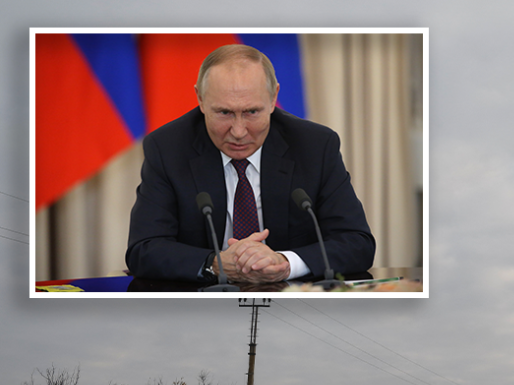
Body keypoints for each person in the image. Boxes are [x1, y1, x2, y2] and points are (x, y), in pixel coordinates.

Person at [126, 44, 375, 284]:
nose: (238, 131)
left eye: (251, 112)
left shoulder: (315, 146)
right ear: (200, 99)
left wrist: (285, 263)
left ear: (273, 97)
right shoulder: (168, 148)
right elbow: (144, 249)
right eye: (224, 112)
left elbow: (357, 242)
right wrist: (216, 263)